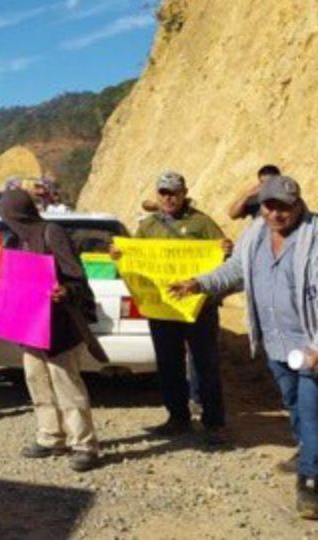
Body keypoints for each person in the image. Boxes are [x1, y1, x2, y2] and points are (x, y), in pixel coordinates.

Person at [170, 176, 318, 519]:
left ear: (298, 205)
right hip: (276, 344)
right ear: (261, 207)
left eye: (285, 206)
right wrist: (198, 284)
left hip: (311, 345)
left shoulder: (313, 237)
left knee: (311, 412)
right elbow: (234, 271)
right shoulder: (254, 235)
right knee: (294, 405)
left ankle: (310, 479)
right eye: (270, 206)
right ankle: (308, 450)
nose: (277, 214)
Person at [112, 171, 232, 445]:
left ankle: (214, 422)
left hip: (198, 308)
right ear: (158, 195)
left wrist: (225, 249)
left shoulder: (202, 223)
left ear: (184, 192)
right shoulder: (148, 227)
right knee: (169, 365)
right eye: (163, 192)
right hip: (163, 309)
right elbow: (133, 258)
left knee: (206, 364)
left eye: (174, 192)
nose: (169, 197)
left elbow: (225, 258)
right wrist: (120, 256)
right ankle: (177, 417)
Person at [0, 189, 103, 472]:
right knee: (36, 381)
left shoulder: (51, 232)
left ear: (19, 214)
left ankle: (84, 444)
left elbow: (77, 275)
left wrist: (66, 290)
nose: (7, 223)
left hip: (59, 327)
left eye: (8, 217)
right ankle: (51, 437)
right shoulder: (14, 240)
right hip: (28, 326)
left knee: (67, 385)